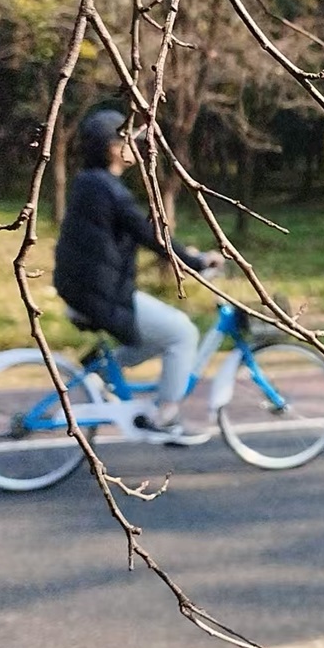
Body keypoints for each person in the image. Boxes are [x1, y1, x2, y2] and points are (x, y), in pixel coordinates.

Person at [53, 109, 222, 444]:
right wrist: (195, 261)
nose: (137, 145)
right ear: (113, 148)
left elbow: (133, 235)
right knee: (181, 334)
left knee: (154, 335)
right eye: (129, 139)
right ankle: (166, 417)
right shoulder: (107, 190)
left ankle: (98, 372)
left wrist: (184, 255)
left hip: (90, 289)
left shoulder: (92, 184)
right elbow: (148, 233)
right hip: (99, 293)